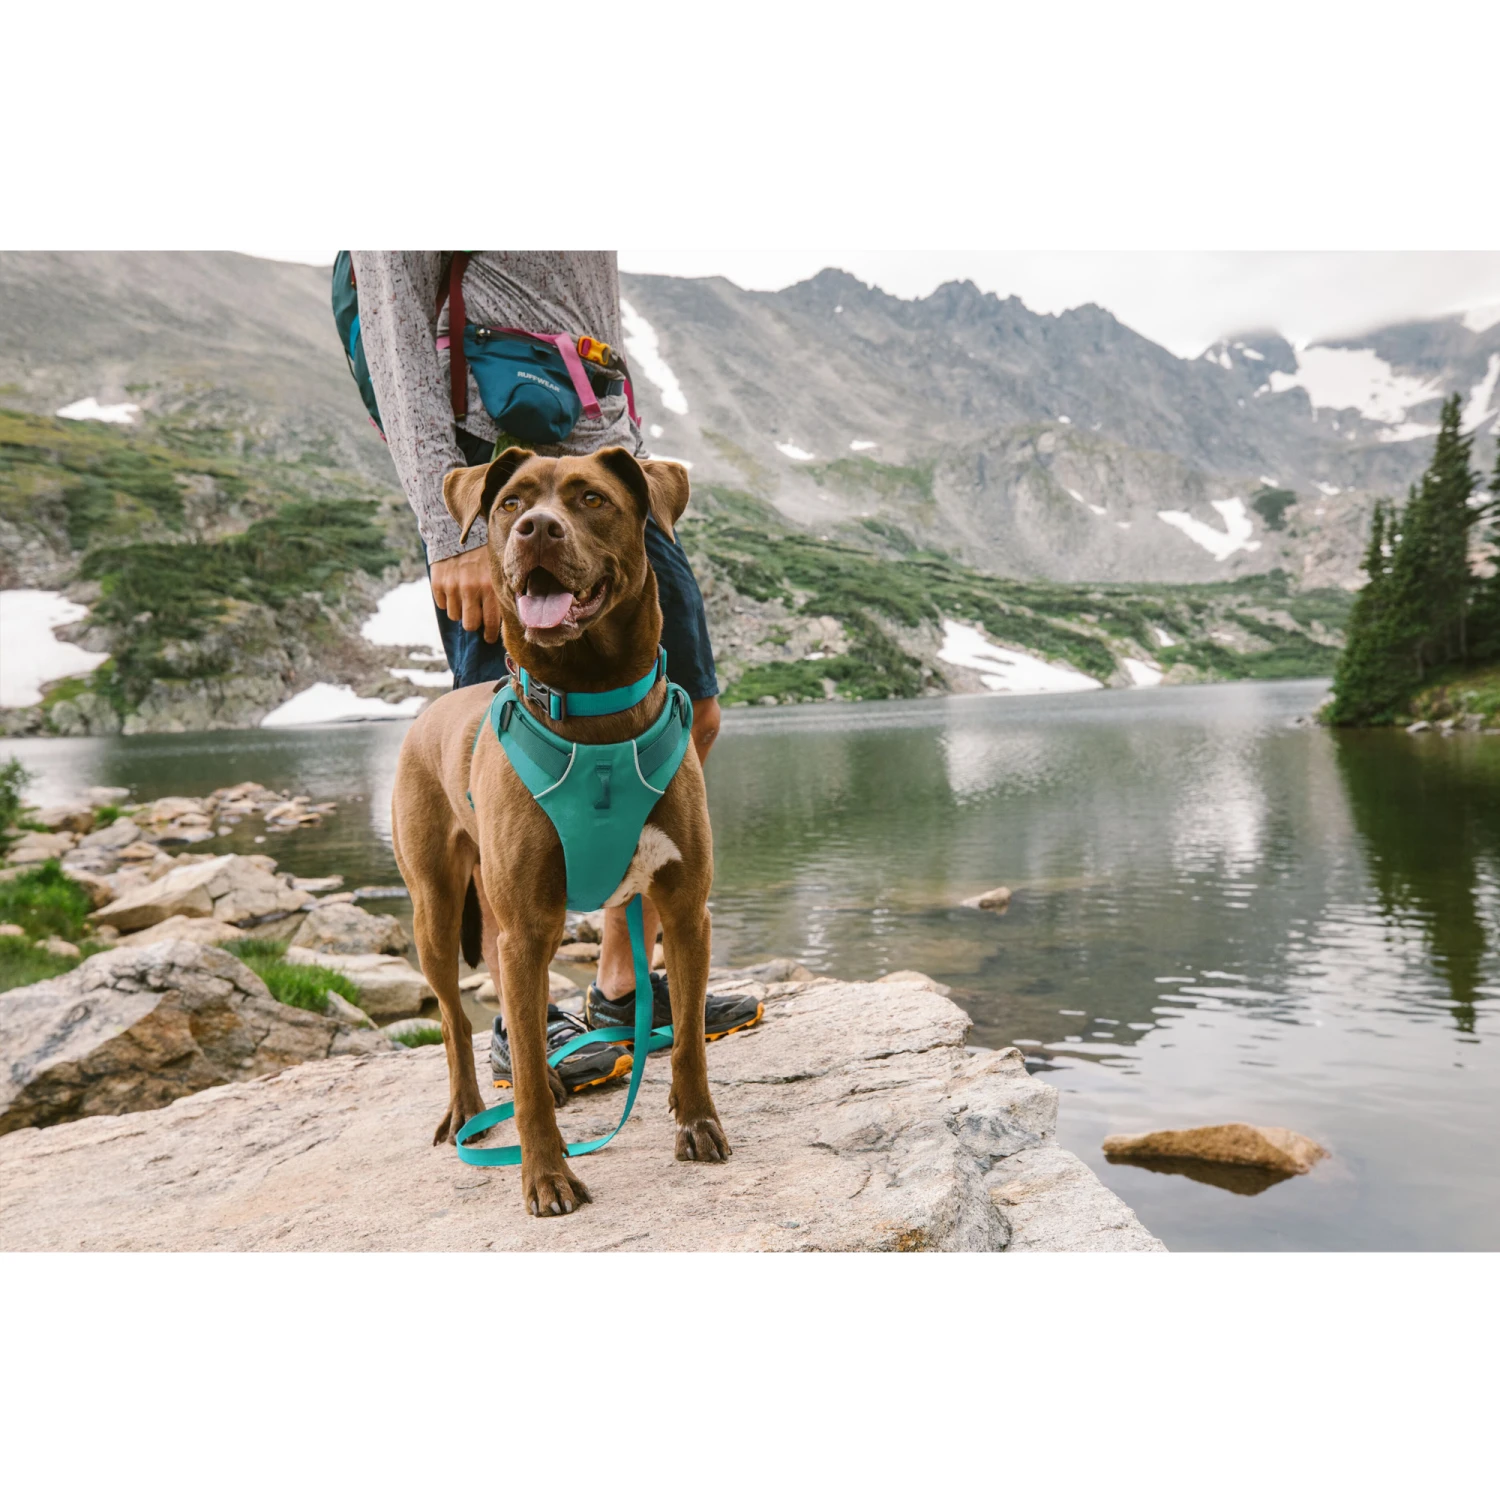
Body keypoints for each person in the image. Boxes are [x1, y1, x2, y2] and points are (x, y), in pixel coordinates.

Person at [352, 252, 755, 1065]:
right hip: (496, 461)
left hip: (608, 465)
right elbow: (394, 332)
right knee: (500, 776)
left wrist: (628, 449)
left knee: (692, 713)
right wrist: (451, 534)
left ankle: (619, 983)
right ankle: (521, 1024)